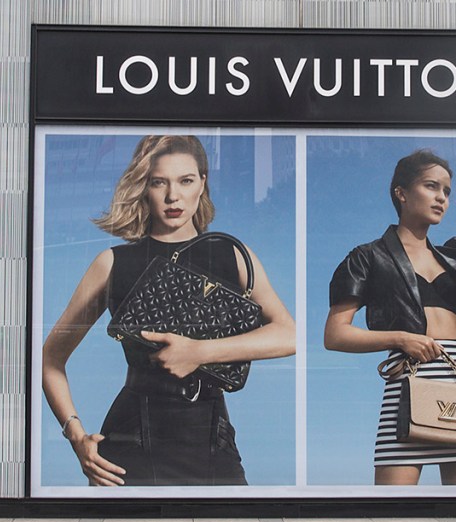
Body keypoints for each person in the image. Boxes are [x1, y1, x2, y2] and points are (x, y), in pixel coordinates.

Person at [40, 134, 298, 486]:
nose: (173, 196)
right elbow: (50, 358)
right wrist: (76, 437)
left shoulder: (232, 255)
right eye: (159, 182)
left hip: (212, 441)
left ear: (202, 183)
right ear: (144, 187)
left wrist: (199, 352)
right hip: (131, 442)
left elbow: (288, 334)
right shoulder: (113, 263)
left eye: (185, 181)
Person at [325, 142, 456, 486]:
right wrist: (400, 339)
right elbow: (334, 335)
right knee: (391, 514)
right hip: (409, 377)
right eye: (431, 186)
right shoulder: (367, 258)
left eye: (447, 191)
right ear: (401, 193)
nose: (442, 198)